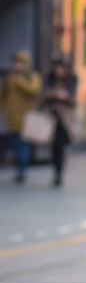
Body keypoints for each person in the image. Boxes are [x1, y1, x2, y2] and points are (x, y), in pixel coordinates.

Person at [0, 50, 42, 182]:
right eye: (15, 62)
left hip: (27, 117)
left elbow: (34, 90)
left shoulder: (31, 76)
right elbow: (3, 96)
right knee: (15, 143)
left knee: (22, 144)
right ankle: (19, 168)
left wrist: (19, 82)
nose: (17, 65)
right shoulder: (9, 78)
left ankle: (21, 170)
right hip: (12, 117)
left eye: (20, 62)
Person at [42, 61, 76, 187]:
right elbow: (41, 97)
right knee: (52, 146)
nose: (59, 71)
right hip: (51, 117)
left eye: (61, 68)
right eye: (57, 68)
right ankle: (55, 170)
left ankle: (59, 173)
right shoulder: (49, 79)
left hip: (64, 119)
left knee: (61, 146)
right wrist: (51, 95)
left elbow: (73, 100)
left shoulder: (71, 81)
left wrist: (64, 97)